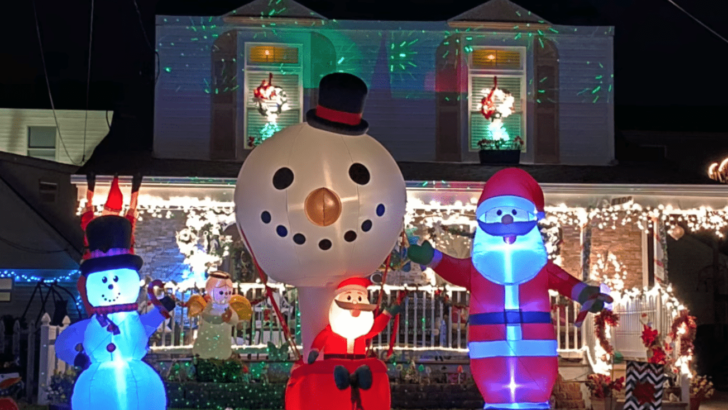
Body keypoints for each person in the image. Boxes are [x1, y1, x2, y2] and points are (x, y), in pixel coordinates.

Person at [408, 168, 612, 410]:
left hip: (536, 346)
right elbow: (453, 268)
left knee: (535, 392)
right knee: (495, 391)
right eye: (497, 213)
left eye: (515, 212)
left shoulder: (539, 266)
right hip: (488, 348)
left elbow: (565, 282)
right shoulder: (478, 267)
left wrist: (586, 294)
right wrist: (432, 258)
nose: (506, 220)